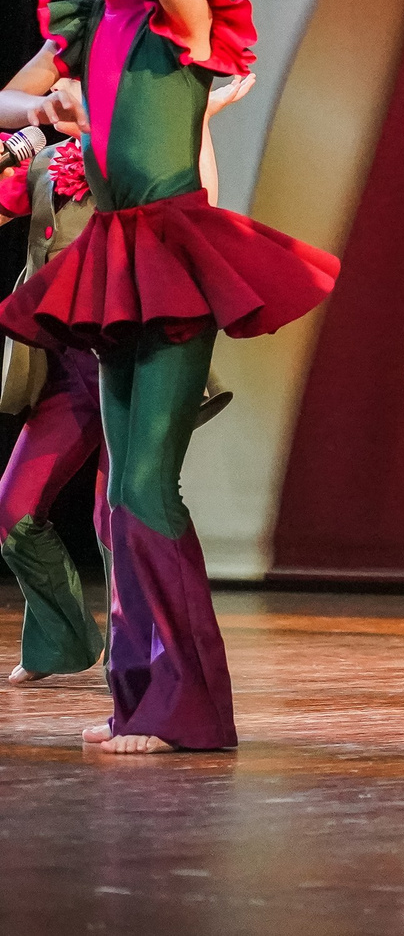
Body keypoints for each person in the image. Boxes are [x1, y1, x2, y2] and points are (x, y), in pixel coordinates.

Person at [0, 0, 338, 752]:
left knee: (146, 484)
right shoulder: (80, 27)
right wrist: (46, 108)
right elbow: (6, 101)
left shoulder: (181, 16)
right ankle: (135, 697)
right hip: (111, 259)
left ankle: (189, 707)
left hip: (173, 254)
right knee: (117, 502)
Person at [0, 73, 250, 684]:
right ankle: (63, 639)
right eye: (63, 84)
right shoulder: (43, 164)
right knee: (13, 509)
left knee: (118, 511)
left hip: (128, 362)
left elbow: (202, 213)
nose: (67, 94)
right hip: (64, 370)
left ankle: (137, 654)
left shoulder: (149, 163)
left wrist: (197, 123)